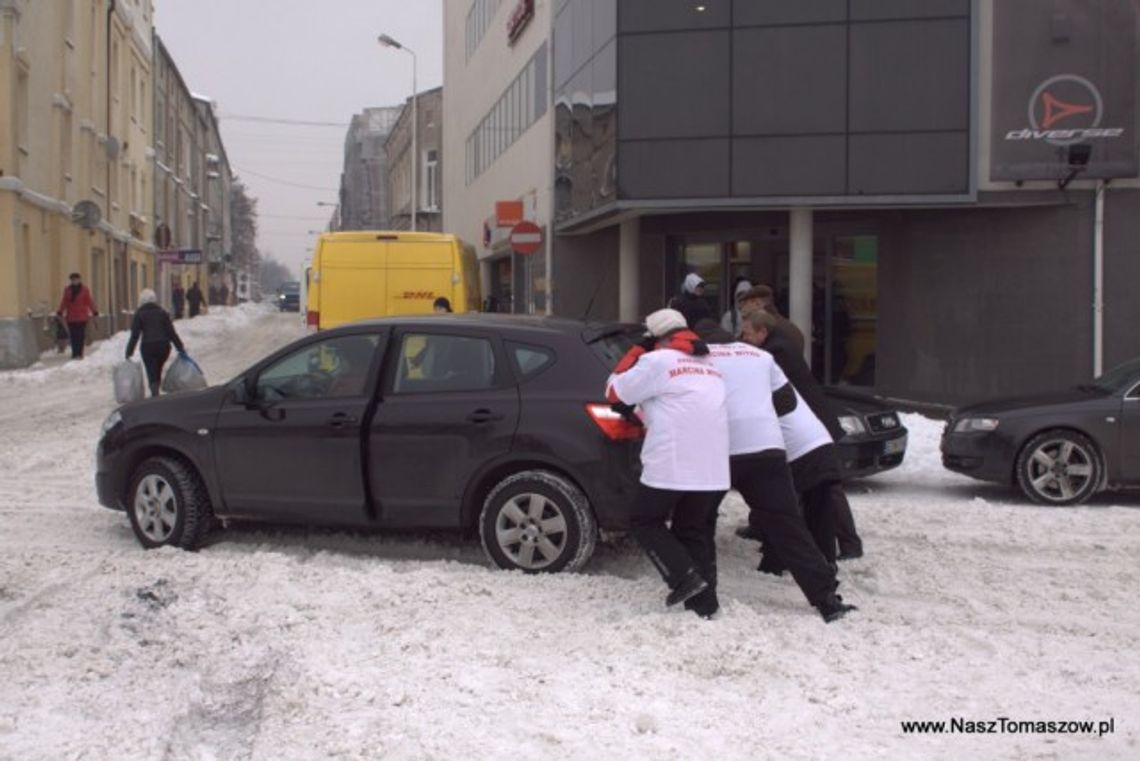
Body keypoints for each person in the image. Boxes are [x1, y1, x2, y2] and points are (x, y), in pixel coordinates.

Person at [693, 319, 854, 622]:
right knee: (787, 523)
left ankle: (704, 601)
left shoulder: (695, 356)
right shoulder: (760, 356)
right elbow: (785, 400)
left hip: (719, 450)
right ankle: (826, 598)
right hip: (766, 449)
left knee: (700, 522)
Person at [605, 308, 729, 618]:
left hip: (672, 460)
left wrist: (637, 351)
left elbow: (613, 391)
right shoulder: (710, 364)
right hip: (713, 465)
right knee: (692, 530)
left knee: (644, 521)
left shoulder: (657, 361)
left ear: (654, 337)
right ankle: (705, 605)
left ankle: (683, 577)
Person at [742, 309, 864, 563]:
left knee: (827, 487)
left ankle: (849, 542)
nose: (745, 339)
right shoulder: (778, 341)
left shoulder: (775, 352)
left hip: (811, 423)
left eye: (748, 334)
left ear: (762, 332)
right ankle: (766, 531)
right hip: (804, 420)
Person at [126, 288, 185, 397]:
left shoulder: (139, 314)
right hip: (164, 346)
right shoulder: (162, 313)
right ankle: (155, 386)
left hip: (148, 346)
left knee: (151, 368)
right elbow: (170, 332)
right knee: (158, 367)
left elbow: (135, 335)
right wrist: (180, 347)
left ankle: (154, 390)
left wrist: (129, 352)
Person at [738, 284, 806, 356]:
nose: (742, 309)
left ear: (757, 303)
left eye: (745, 304)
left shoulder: (763, 326)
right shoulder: (791, 327)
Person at [56, 272, 99, 359]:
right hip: (71, 317)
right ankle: (74, 353)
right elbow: (64, 301)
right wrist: (60, 311)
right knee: (73, 335)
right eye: (73, 280)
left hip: (82, 316)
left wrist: (94, 311)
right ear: (71, 281)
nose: (75, 281)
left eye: (76, 279)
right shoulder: (67, 290)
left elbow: (89, 301)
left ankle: (80, 353)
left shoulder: (84, 290)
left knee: (80, 335)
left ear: (79, 280)